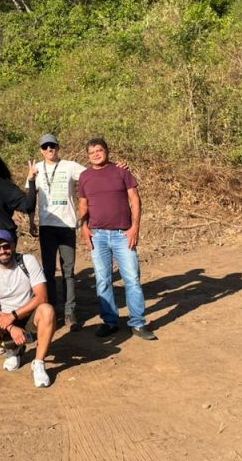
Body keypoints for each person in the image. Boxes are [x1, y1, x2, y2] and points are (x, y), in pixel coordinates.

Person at [77, 137, 157, 340]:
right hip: (98, 236)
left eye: (99, 150)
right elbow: (83, 205)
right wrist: (84, 228)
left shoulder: (121, 171)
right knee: (103, 280)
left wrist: (135, 228)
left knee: (132, 279)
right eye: (92, 152)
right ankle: (110, 321)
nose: (96, 154)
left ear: (107, 151)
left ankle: (138, 323)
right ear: (88, 156)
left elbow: (135, 200)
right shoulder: (85, 176)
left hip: (123, 234)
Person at [0, 231, 55, 388]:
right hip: (3, 316)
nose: (2, 251)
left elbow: (41, 297)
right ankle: (13, 347)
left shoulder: (28, 261)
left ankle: (38, 363)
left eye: (6, 246)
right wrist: (11, 327)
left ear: (13, 245)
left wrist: (13, 316)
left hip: (27, 313)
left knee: (48, 311)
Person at [26, 133, 85, 328]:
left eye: (52, 146)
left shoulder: (70, 166)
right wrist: (31, 221)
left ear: (58, 147)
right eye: (45, 147)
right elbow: (30, 197)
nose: (49, 149)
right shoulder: (36, 169)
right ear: (41, 150)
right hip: (46, 226)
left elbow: (91, 177)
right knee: (49, 270)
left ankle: (70, 312)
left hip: (67, 225)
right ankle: (51, 309)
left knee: (68, 271)